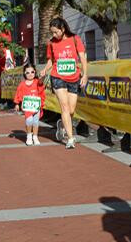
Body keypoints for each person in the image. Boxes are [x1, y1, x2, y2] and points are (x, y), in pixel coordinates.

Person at [39, 18, 87, 149]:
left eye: (56, 32)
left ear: (63, 29)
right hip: (58, 77)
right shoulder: (51, 43)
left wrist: (85, 74)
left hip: (74, 77)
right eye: (52, 33)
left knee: (71, 110)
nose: (54, 35)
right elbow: (51, 61)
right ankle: (70, 138)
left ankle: (63, 125)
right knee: (64, 108)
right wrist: (45, 69)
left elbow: (82, 57)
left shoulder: (75, 39)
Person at [14, 64, 45, 146]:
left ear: (35, 72)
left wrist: (42, 77)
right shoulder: (22, 84)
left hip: (36, 106)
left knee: (35, 122)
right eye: (27, 73)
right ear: (24, 73)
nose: (30, 74)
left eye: (32, 72)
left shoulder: (37, 82)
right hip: (28, 107)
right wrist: (17, 103)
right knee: (29, 120)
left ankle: (35, 136)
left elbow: (41, 83)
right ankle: (29, 136)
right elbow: (18, 94)